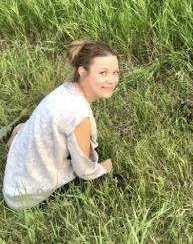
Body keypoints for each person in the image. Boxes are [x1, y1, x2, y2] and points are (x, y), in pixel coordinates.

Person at [2, 40, 120, 210]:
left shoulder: (67, 89)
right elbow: (84, 170)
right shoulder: (78, 115)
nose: (112, 80)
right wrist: (101, 168)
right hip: (24, 194)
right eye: (103, 73)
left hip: (18, 175)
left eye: (115, 72)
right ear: (82, 72)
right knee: (98, 169)